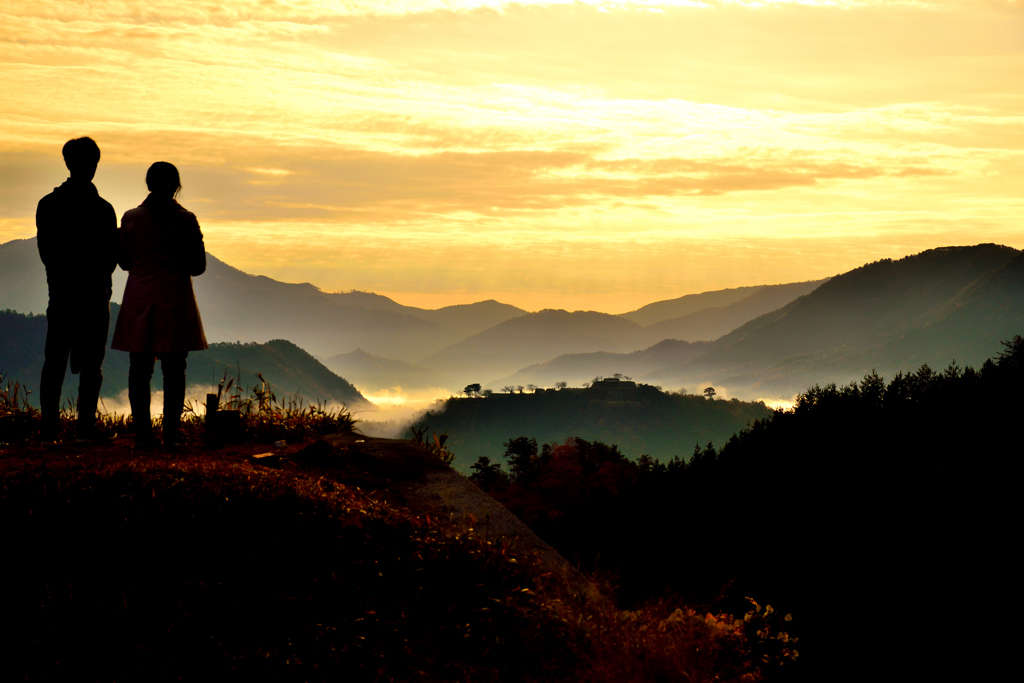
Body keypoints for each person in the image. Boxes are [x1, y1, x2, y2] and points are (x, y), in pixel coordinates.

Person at [112, 162, 208, 447]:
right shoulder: (187, 220)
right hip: (175, 299)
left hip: (139, 298)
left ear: (148, 184)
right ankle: (170, 434)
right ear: (176, 187)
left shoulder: (131, 219)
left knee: (138, 369)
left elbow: (125, 261)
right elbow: (198, 266)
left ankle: (143, 434)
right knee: (175, 370)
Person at [36, 137, 118, 441]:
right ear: (93, 164)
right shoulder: (104, 210)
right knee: (91, 366)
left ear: (67, 163)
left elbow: (47, 254)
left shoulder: (48, 205)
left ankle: (49, 428)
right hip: (95, 294)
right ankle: (85, 427)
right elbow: (111, 258)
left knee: (54, 361)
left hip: (60, 294)